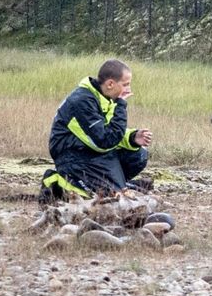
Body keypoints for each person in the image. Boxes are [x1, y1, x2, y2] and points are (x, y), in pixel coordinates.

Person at [41, 59, 154, 200]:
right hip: (71, 155)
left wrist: (132, 138)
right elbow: (103, 141)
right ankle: (57, 181)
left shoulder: (104, 97)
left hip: (92, 150)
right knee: (106, 196)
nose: (128, 90)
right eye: (125, 85)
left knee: (138, 155)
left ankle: (114, 183)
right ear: (110, 84)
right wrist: (121, 106)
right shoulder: (82, 101)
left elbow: (107, 132)